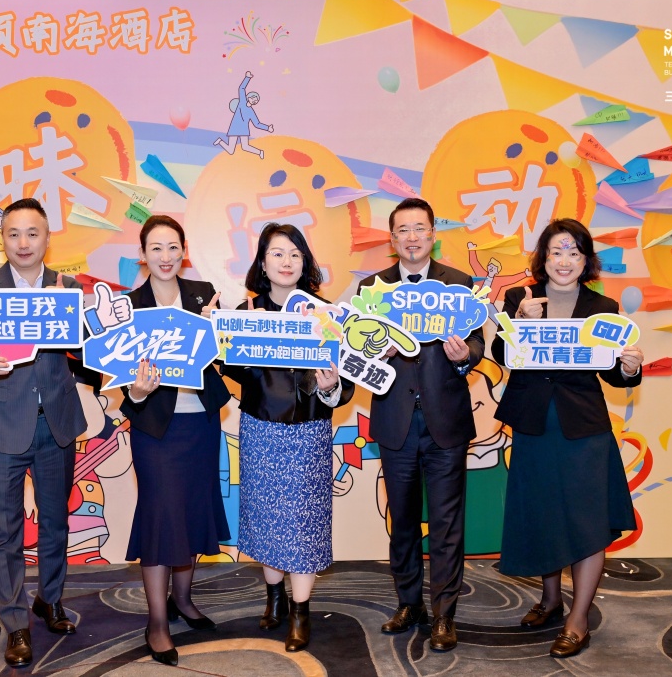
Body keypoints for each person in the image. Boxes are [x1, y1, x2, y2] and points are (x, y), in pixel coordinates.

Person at [0, 198, 95, 668]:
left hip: (56, 423)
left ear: (48, 238)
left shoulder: (68, 290)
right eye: (13, 234)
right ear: (3, 239)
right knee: (4, 529)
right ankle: (15, 622)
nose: (24, 242)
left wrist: (90, 323)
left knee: (55, 521)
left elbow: (89, 355)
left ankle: (49, 600)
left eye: (33, 233)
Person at [492, 218, 644, 659]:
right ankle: (550, 599)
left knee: (586, 519)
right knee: (543, 512)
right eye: (557, 251)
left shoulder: (603, 306)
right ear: (543, 257)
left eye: (574, 252)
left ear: (586, 260)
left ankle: (578, 619)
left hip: (583, 426)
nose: (565, 260)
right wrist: (519, 322)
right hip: (534, 423)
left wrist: (630, 367)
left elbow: (613, 373)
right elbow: (503, 356)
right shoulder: (520, 298)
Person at [357, 197, 483, 652]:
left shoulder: (459, 283)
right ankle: (409, 603)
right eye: (402, 230)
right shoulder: (372, 289)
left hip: (445, 421)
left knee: (447, 524)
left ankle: (445, 615)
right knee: (404, 521)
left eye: (419, 228)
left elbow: (477, 345)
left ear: (433, 234)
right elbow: (356, 352)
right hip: (395, 422)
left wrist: (464, 357)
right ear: (392, 239)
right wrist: (375, 349)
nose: (411, 237)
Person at [222, 223, 354, 652]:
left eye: (295, 254)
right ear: (263, 263)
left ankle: (300, 611)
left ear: (305, 263)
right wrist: (228, 338)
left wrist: (331, 385)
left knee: (303, 523)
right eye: (277, 253)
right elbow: (233, 370)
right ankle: (274, 597)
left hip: (308, 431)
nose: (286, 262)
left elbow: (344, 386)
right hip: (261, 428)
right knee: (265, 517)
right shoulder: (246, 311)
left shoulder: (327, 314)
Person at [121, 214, 232, 667]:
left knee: (191, 511)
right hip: (155, 429)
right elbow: (111, 372)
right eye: (156, 248)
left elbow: (226, 358)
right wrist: (136, 391)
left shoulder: (204, 295)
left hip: (200, 424)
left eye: (173, 247)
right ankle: (157, 622)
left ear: (184, 251)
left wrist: (216, 333)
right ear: (142, 254)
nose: (165, 256)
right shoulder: (129, 306)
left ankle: (183, 601)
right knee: (160, 516)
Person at [214, 71, 274, 159]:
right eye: (253, 98)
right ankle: (220, 141)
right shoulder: (242, 102)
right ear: (248, 97)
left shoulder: (251, 111)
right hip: (234, 127)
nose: (254, 101)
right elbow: (241, 88)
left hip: (244, 129)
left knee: (245, 146)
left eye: (256, 101)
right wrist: (247, 78)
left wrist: (268, 128)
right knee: (230, 150)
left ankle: (260, 152)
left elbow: (257, 124)